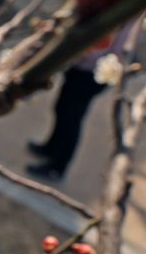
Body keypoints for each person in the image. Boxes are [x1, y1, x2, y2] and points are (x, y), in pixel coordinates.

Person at [26, 20, 138, 181]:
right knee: (61, 107)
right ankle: (50, 148)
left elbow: (122, 47)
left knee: (72, 117)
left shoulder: (129, 17)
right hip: (79, 63)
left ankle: (58, 167)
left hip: (93, 73)